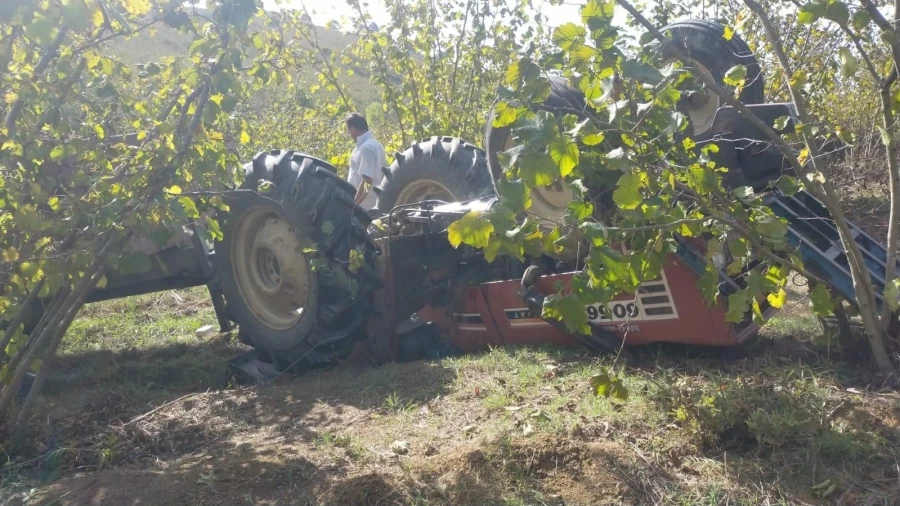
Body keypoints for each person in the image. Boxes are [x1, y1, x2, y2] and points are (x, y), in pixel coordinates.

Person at [344, 112, 386, 210]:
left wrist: (354, 206)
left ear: (353, 130)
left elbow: (367, 182)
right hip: (366, 204)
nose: (350, 135)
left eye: (349, 131)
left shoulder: (366, 148)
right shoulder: (374, 144)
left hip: (366, 207)